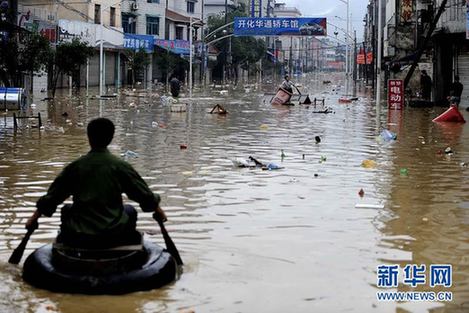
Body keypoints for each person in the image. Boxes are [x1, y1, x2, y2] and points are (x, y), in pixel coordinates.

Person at [25, 118, 167, 248]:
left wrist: (33, 219)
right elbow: (144, 196)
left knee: (67, 209)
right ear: (111, 138)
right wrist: (159, 212)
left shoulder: (76, 167)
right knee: (129, 210)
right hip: (114, 233)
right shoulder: (120, 166)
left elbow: (52, 198)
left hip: (79, 234)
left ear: (88, 137)